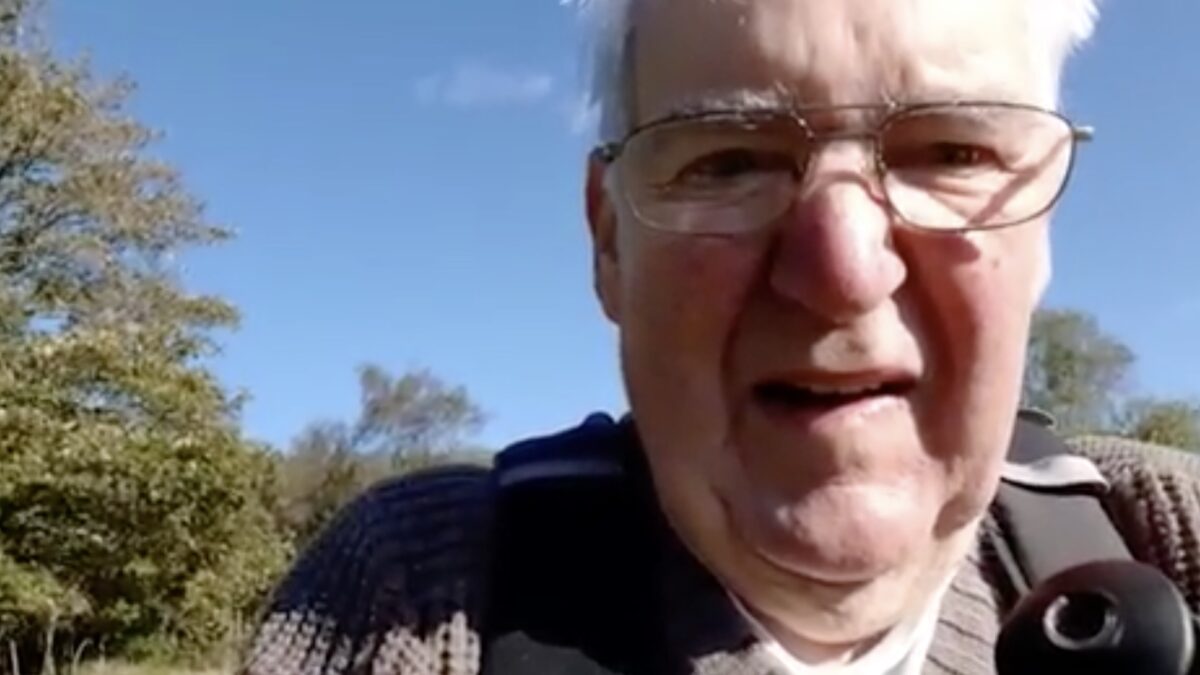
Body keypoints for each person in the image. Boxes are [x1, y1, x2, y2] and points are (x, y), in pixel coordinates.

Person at [240, 1, 1200, 673]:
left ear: (1043, 229)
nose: (843, 269)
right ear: (609, 242)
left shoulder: (1169, 529)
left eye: (953, 153)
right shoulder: (418, 598)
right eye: (729, 162)